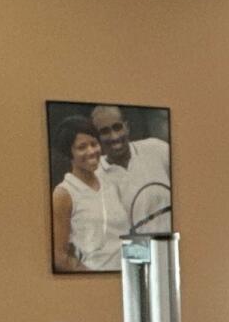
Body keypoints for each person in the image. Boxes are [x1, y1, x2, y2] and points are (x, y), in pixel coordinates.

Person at [90, 105, 172, 239]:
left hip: (174, 248)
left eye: (117, 127)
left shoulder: (157, 149)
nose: (114, 137)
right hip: (133, 253)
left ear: (126, 127)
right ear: (96, 138)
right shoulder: (94, 176)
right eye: (105, 131)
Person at [51, 117, 119, 273]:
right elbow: (59, 256)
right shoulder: (64, 194)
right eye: (82, 147)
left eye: (94, 144)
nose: (91, 151)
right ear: (69, 154)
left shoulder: (112, 181)